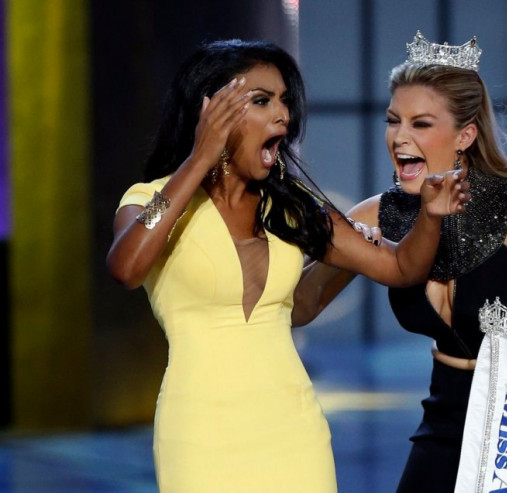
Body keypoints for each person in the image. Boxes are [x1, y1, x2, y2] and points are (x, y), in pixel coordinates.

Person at [106, 38, 470, 492]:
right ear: (210, 112)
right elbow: (127, 266)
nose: (283, 115)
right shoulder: (151, 202)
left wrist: (431, 217)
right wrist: (198, 160)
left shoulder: (293, 209)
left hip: (293, 431)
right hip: (197, 432)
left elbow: (399, 268)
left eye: (285, 102)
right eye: (262, 101)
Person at [296, 31, 507, 492]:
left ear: (464, 135)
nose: (400, 137)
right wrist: (332, 243)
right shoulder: (375, 216)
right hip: (448, 413)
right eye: (393, 120)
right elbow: (301, 306)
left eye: (420, 124)